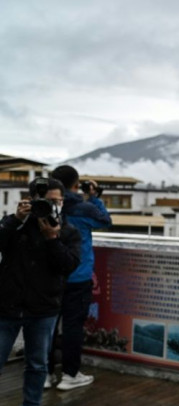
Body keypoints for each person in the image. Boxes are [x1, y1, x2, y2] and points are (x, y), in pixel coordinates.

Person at [0, 177, 80, 406]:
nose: (54, 206)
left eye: (58, 201)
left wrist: (52, 239)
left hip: (44, 307)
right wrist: (15, 220)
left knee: (37, 363)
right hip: (8, 304)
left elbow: (68, 265)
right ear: (32, 200)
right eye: (48, 201)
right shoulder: (16, 225)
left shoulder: (67, 231)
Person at [47, 165, 111, 390]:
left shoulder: (45, 206)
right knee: (73, 325)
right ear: (76, 184)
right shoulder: (83, 208)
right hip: (78, 275)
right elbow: (105, 221)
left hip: (50, 274)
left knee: (47, 324)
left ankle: (44, 374)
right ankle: (69, 374)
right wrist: (94, 197)